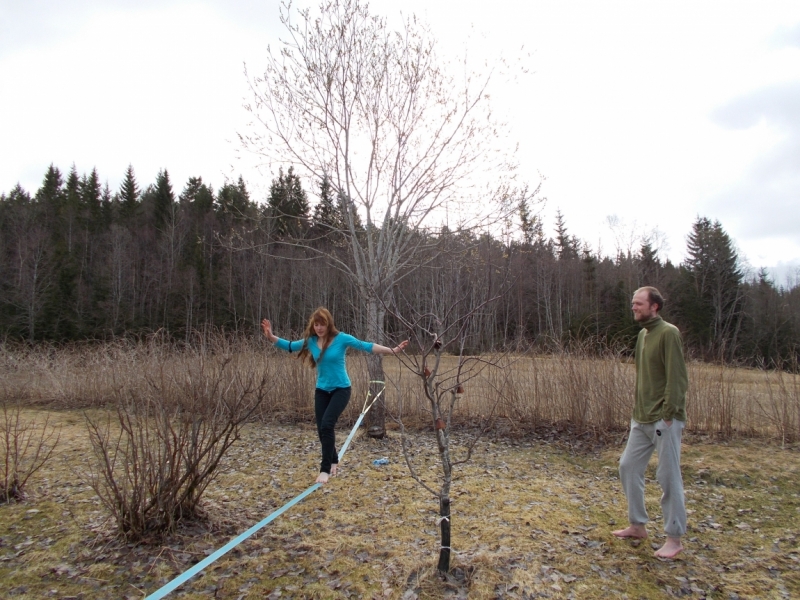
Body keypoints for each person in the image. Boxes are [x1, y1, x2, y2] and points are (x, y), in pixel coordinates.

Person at [261, 307, 409, 485]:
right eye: (316, 324)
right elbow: (290, 346)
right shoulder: (311, 341)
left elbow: (367, 346)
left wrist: (392, 350)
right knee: (321, 429)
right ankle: (333, 460)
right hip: (322, 390)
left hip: (341, 389)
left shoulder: (341, 339)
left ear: (328, 324)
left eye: (322, 324)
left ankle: (325, 470)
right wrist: (270, 336)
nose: (319, 328)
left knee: (327, 424)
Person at [612, 286, 689, 559]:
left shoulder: (669, 333)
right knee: (628, 467)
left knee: (668, 476)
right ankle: (637, 525)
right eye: (633, 303)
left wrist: (669, 413)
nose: (633, 307)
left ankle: (674, 538)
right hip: (641, 418)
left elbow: (677, 378)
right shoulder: (643, 335)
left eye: (639, 303)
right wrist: (637, 412)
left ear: (654, 306)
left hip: (664, 419)